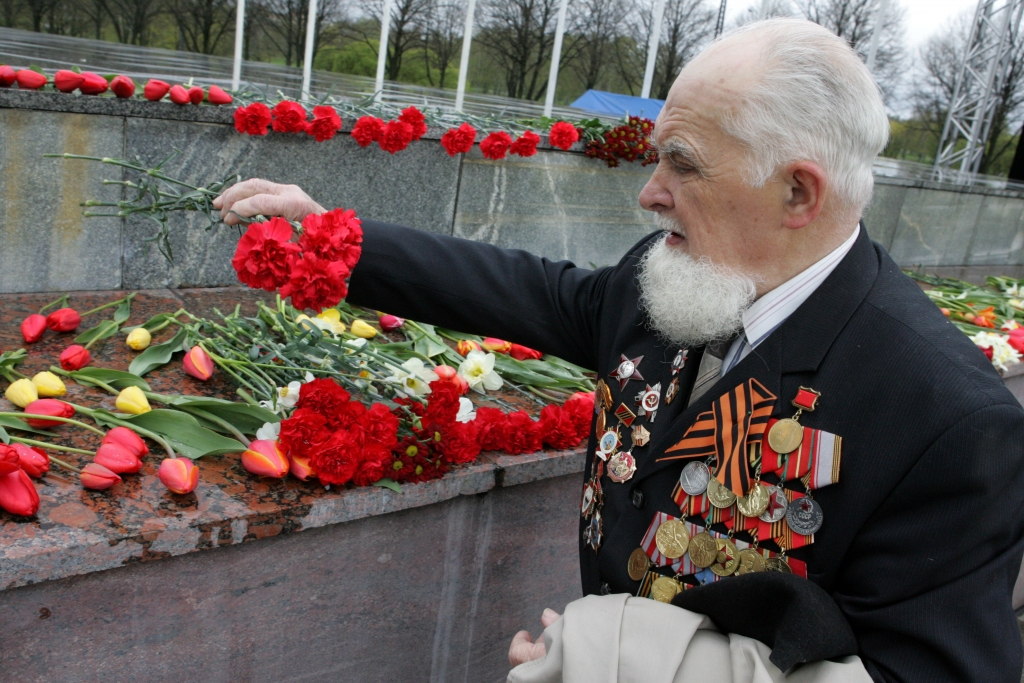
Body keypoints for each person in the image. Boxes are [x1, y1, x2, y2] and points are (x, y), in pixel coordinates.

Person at [214, 18, 1024, 683]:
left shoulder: (949, 419)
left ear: (797, 192)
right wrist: (339, 242)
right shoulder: (679, 274)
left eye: (683, 164)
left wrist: (602, 659)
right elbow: (537, 291)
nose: (649, 192)